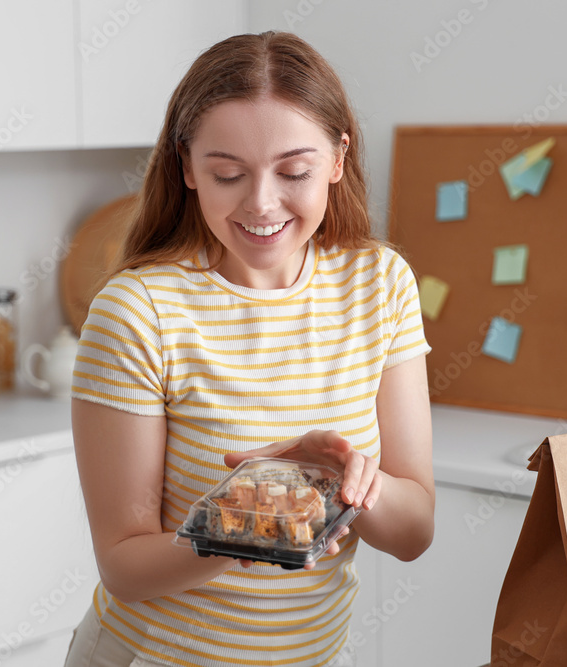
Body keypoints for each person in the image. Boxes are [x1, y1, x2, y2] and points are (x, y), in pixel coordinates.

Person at [66, 30, 434, 667]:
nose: (262, 203)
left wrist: (349, 482)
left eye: (294, 171)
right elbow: (124, 565)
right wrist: (244, 519)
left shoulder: (380, 285)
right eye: (227, 174)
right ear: (186, 166)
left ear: (339, 158)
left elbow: (413, 531)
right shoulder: (139, 312)